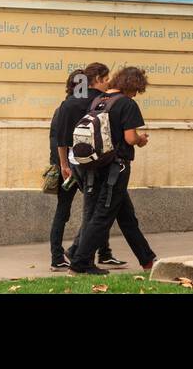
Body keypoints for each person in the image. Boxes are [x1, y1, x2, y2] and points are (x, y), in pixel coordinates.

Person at [68, 66, 157, 276]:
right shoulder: (127, 104)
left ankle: (147, 260)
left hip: (97, 165)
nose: (137, 94)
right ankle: (79, 263)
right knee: (103, 215)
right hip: (116, 167)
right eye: (137, 89)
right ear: (132, 85)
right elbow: (129, 138)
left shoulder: (98, 101)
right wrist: (141, 140)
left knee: (126, 217)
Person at [47, 63, 125, 272]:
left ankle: (66, 255)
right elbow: (61, 138)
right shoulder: (94, 102)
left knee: (79, 210)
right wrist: (63, 164)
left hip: (68, 163)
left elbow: (57, 138)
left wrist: (60, 163)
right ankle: (80, 252)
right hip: (84, 163)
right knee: (97, 208)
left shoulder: (66, 106)